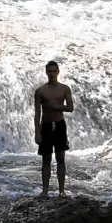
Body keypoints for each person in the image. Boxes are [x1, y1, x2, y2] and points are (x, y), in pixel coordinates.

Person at [34, 60, 74, 197]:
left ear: (58, 72)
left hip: (59, 125)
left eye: (54, 71)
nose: (51, 74)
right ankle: (44, 191)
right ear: (46, 72)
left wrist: (55, 107)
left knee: (60, 159)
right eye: (49, 71)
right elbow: (37, 113)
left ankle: (61, 191)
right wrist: (37, 133)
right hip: (45, 125)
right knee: (46, 160)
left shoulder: (64, 89)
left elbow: (70, 108)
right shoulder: (40, 91)